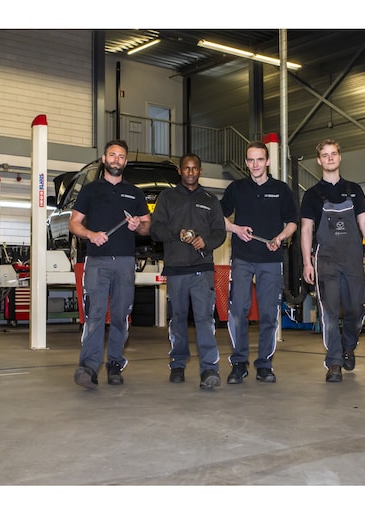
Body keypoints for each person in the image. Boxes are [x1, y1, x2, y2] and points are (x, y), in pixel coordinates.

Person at [69, 139, 151, 389]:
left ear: (126, 162)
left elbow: (148, 226)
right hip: (97, 262)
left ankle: (115, 365)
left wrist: (139, 226)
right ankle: (88, 367)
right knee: (94, 315)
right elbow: (74, 223)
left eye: (121, 156)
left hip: (125, 262)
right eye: (112, 155)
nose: (117, 160)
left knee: (120, 316)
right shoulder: (90, 190)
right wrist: (91, 234)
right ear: (104, 159)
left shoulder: (135, 193)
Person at [300, 139, 365, 383]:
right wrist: (307, 262)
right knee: (329, 313)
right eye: (325, 155)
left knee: (356, 309)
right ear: (319, 160)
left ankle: (349, 346)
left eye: (333, 153)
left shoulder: (354, 190)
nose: (330, 158)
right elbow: (306, 230)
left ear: (340, 157)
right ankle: (334, 361)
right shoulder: (312, 195)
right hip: (326, 261)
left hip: (352, 260)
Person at [220, 141, 299, 384]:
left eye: (260, 159)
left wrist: (280, 237)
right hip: (242, 258)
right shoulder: (236, 188)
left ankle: (264, 364)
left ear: (268, 161)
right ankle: (239, 363)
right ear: (246, 162)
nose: (255, 164)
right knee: (238, 311)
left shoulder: (281, 190)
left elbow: (293, 222)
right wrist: (235, 228)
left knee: (268, 313)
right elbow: (217, 216)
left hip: (270, 260)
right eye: (251, 160)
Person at [150, 153, 227, 389]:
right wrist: (178, 234)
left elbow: (220, 231)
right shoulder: (167, 198)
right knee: (178, 319)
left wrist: (206, 241)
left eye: (194, 168)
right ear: (180, 171)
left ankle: (209, 369)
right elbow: (155, 230)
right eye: (186, 168)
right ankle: (178, 364)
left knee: (204, 319)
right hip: (176, 269)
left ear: (200, 171)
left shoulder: (210, 199)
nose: (190, 172)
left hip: (202, 270)